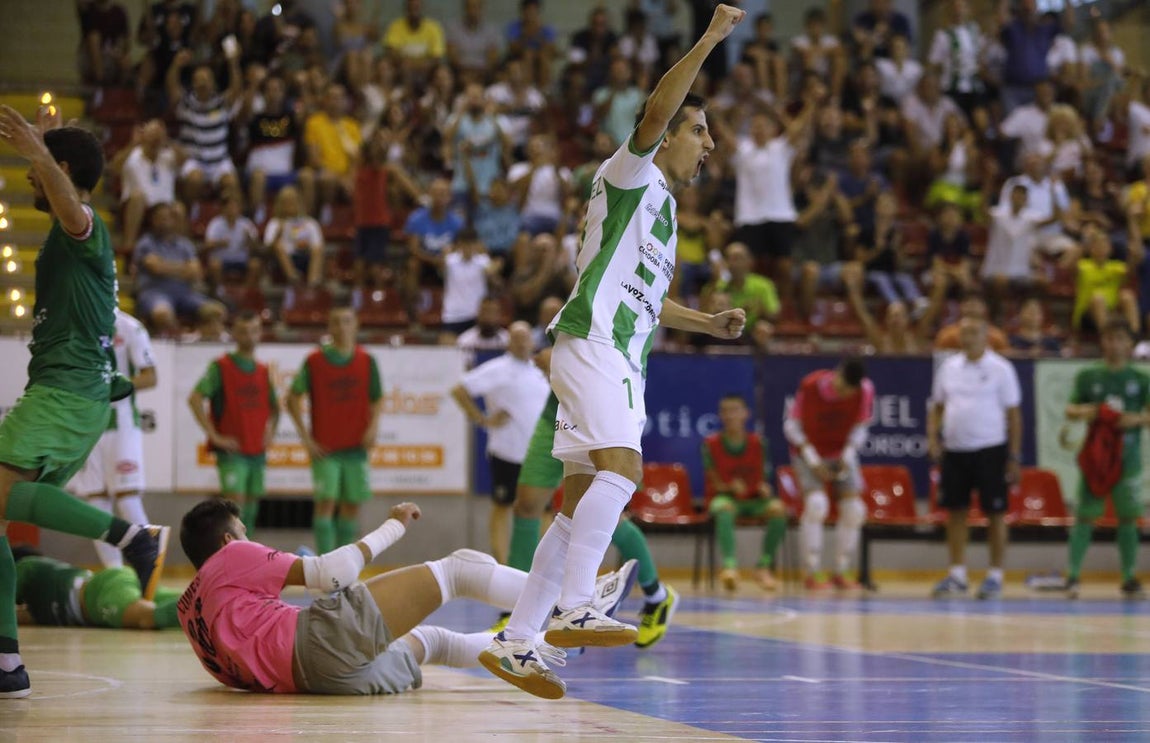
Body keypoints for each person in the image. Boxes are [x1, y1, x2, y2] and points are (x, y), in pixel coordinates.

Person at [479, 4, 748, 701]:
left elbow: (652, 303)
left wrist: (707, 321)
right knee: (624, 469)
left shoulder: (666, 215)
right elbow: (659, 105)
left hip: (616, 350)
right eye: (699, 130)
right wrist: (711, 38)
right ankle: (578, 603)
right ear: (665, 136)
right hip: (596, 344)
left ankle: (518, 637)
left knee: (571, 510)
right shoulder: (633, 174)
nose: (708, 144)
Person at [0, 108, 168, 699]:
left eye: (41, 171)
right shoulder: (69, 234)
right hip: (72, 394)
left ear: (64, 171)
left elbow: (71, 205)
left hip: (67, 393)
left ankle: (132, 538)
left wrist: (38, 153)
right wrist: (49, 145)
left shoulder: (85, 224)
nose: (27, 180)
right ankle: (6, 665)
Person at [176, 497, 639, 695]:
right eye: (242, 532)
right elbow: (331, 574)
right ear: (226, 541)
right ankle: (577, 605)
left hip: (320, 683)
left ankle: (539, 645)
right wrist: (394, 523)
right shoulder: (233, 557)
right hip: (319, 643)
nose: (248, 537)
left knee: (433, 640)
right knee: (459, 567)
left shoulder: (189, 609)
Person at [497, 348, 679, 648]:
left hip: (601, 406)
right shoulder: (577, 311)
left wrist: (707, 323)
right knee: (527, 505)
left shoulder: (633, 307)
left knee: (597, 508)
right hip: (559, 413)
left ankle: (654, 595)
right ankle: (515, 610)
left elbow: (651, 309)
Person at [928, 311, 1023, 600]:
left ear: (986, 336)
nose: (967, 338)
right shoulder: (949, 367)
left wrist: (1014, 456)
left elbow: (1014, 414)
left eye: (973, 332)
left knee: (995, 513)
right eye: (963, 332)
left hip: (990, 449)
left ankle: (995, 574)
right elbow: (937, 407)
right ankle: (957, 573)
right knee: (955, 511)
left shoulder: (1001, 368)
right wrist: (933, 437)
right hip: (956, 450)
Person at [286, 307, 382, 555]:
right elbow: (292, 398)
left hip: (356, 447)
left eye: (347, 321)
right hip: (325, 448)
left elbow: (377, 399)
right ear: (329, 327)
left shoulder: (367, 361)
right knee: (326, 503)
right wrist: (306, 438)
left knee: (351, 505)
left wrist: (373, 426)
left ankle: (344, 565)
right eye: (336, 322)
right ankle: (326, 564)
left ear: (356, 325)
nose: (341, 327)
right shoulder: (314, 361)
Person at [67, 308, 158, 569]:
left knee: (127, 496)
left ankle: (150, 566)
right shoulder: (76, 324)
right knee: (96, 500)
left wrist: (110, 387)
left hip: (122, 425)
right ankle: (115, 575)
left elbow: (150, 376)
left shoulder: (130, 327)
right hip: (87, 425)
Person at [451, 323, 550, 563]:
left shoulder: (539, 371)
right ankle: (503, 562)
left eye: (526, 338)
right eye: (516, 339)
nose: (522, 343)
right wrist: (482, 420)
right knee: (503, 506)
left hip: (537, 453)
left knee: (544, 510)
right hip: (507, 452)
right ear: (508, 343)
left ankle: (543, 564)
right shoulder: (497, 369)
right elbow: (459, 390)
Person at [1064, 319, 1149, 599]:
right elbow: (1071, 410)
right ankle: (1073, 575)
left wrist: (1135, 419)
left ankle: (1128, 577)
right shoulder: (1088, 376)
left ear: (1129, 344)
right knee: (1085, 516)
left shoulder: (1141, 379)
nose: (1114, 345)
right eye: (1109, 339)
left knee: (1128, 517)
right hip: (1097, 460)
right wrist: (1094, 411)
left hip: (1129, 458)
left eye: (1120, 339)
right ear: (1103, 342)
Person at [784, 359, 874, 590]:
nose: (844, 395)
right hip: (807, 450)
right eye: (841, 388)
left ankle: (841, 570)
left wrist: (848, 455)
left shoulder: (865, 390)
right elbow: (791, 426)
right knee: (816, 504)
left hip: (841, 451)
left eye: (849, 392)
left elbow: (860, 426)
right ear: (837, 374)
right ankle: (812, 571)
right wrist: (813, 461)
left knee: (855, 510)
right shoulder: (810, 386)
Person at [187, 312, 279, 534]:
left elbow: (276, 408)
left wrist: (271, 432)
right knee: (234, 508)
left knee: (252, 507)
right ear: (234, 333)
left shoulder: (263, 370)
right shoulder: (221, 366)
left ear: (260, 333)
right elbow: (195, 398)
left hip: (257, 449)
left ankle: (250, 558)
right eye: (243, 331)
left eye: (253, 330)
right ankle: (234, 558)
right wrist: (215, 436)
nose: (249, 336)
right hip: (232, 451)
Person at [703, 394, 785, 592]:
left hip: (753, 500)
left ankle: (763, 566)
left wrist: (764, 489)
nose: (730, 416)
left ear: (746, 414)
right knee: (724, 507)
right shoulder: (710, 444)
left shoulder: (759, 443)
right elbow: (714, 482)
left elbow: (763, 478)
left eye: (735, 410)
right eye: (725, 411)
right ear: (720, 416)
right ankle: (730, 567)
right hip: (725, 497)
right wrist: (729, 487)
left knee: (778, 509)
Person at [14, 547, 180, 630]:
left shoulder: (23, 566)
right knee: (186, 601)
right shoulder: (43, 587)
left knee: (147, 617)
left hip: (101, 594)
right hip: (109, 583)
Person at [133, 202, 226, 333]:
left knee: (217, 311)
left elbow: (196, 272)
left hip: (185, 293)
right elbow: (155, 268)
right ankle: (176, 339)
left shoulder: (184, 244)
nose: (164, 221)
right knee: (162, 314)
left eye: (168, 217)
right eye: (160, 217)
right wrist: (183, 269)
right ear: (153, 220)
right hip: (155, 292)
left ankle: (198, 342)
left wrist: (164, 265)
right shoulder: (146, 243)